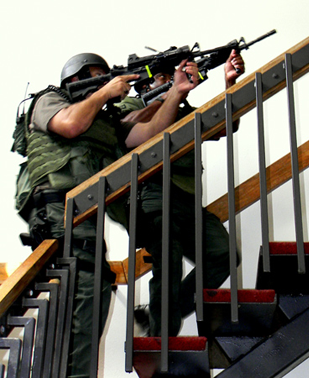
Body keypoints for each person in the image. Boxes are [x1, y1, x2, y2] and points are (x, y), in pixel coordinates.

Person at [18, 52, 199, 377]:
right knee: (85, 295)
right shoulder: (49, 101)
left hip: (84, 225)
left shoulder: (101, 124)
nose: (106, 84)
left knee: (94, 294)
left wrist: (176, 92)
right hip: (60, 220)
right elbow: (70, 124)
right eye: (97, 77)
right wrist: (105, 92)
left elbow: (147, 135)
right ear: (75, 80)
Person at [118, 50, 245, 337]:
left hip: (188, 200)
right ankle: (162, 339)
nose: (174, 80)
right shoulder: (133, 104)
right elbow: (129, 130)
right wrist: (171, 94)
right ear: (146, 86)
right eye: (163, 77)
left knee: (223, 255)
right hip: (154, 198)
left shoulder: (185, 111)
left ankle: (156, 317)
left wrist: (230, 83)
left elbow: (228, 125)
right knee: (170, 266)